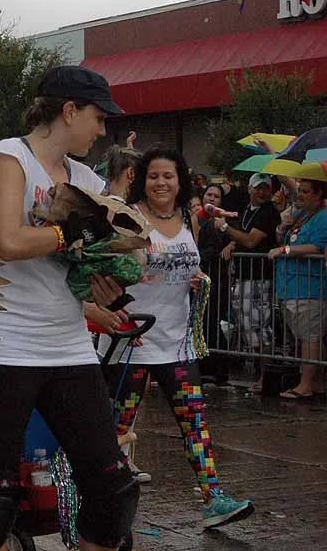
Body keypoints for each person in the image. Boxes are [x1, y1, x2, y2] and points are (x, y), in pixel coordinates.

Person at [0, 66, 138, 551]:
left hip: (68, 345)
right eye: (99, 118)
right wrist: (74, 233)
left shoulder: (85, 178)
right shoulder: (8, 157)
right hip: (2, 344)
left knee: (114, 489)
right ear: (69, 111)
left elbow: (103, 250)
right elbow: (9, 241)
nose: (102, 130)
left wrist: (106, 283)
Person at [101, 148, 254, 529]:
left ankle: (213, 498)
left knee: (195, 422)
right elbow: (103, 271)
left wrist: (196, 280)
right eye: (153, 176)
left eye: (168, 176)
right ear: (142, 180)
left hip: (177, 343)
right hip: (132, 342)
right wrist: (112, 310)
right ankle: (102, 501)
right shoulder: (127, 218)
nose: (161, 183)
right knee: (116, 429)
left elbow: (191, 265)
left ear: (180, 180)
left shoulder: (188, 218)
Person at [214, 173, 281, 385]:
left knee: (259, 329)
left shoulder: (269, 212)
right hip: (244, 278)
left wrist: (225, 228)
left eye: (266, 188)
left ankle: (266, 378)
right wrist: (232, 244)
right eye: (258, 188)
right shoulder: (247, 210)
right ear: (250, 189)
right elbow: (243, 236)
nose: (262, 192)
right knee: (249, 328)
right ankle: (263, 376)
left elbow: (251, 241)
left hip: (259, 278)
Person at [268, 179, 327, 399]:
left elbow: (317, 247)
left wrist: (285, 250)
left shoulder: (323, 217)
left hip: (309, 287)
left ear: (318, 195)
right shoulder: (302, 215)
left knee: (310, 337)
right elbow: (286, 238)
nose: (300, 195)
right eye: (300, 190)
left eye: (306, 191)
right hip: (290, 286)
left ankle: (306, 384)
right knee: (307, 337)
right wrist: (282, 228)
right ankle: (317, 381)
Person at [197, 184, 233, 385]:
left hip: (215, 278)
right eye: (208, 194)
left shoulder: (221, 222)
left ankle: (219, 367)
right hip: (202, 279)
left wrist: (196, 260)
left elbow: (215, 248)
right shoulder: (198, 220)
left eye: (216, 196)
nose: (211, 198)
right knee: (203, 322)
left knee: (211, 322)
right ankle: (207, 365)